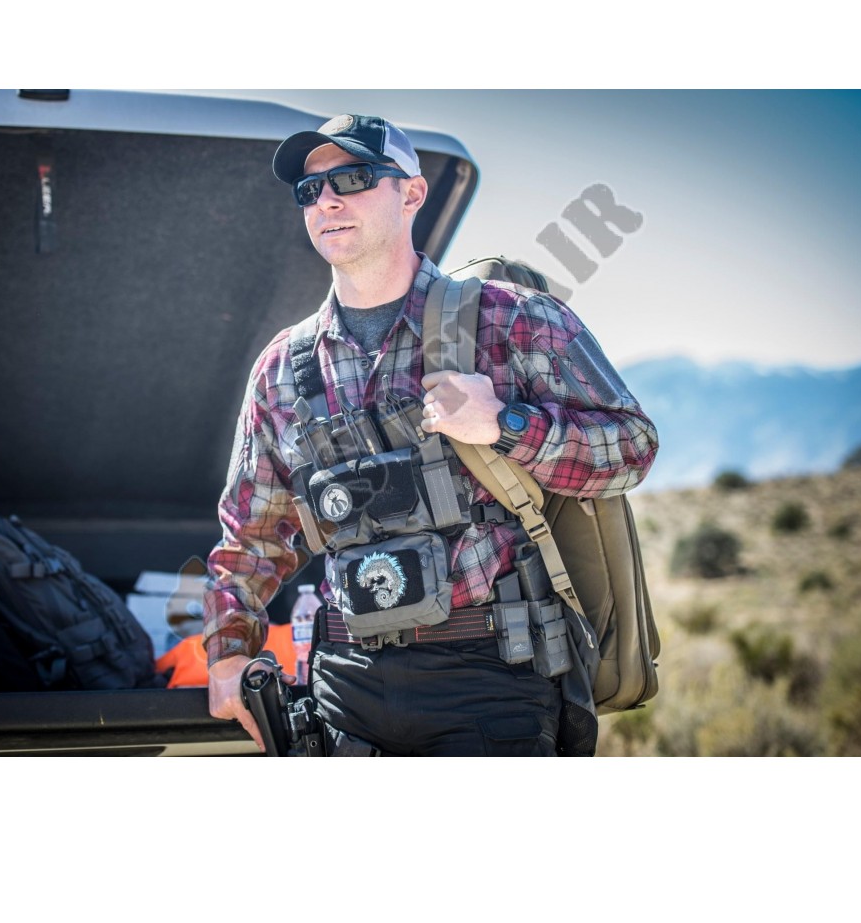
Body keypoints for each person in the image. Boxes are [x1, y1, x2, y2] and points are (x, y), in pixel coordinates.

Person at [204, 113, 658, 756]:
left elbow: (633, 448)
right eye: (311, 190)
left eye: (353, 179)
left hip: (491, 681)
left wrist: (505, 425)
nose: (327, 201)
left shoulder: (509, 319)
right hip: (344, 689)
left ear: (412, 193)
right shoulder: (283, 368)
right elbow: (251, 536)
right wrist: (227, 650)